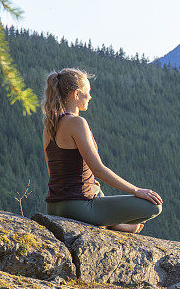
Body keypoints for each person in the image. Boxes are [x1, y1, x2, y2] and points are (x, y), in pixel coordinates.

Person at [42, 68, 162, 233]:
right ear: (76, 94)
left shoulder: (50, 126)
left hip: (53, 206)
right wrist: (136, 190)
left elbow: (53, 174)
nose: (90, 97)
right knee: (153, 206)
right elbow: (98, 169)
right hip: (77, 207)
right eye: (87, 92)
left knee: (96, 188)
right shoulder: (77, 123)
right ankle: (113, 224)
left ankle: (113, 223)